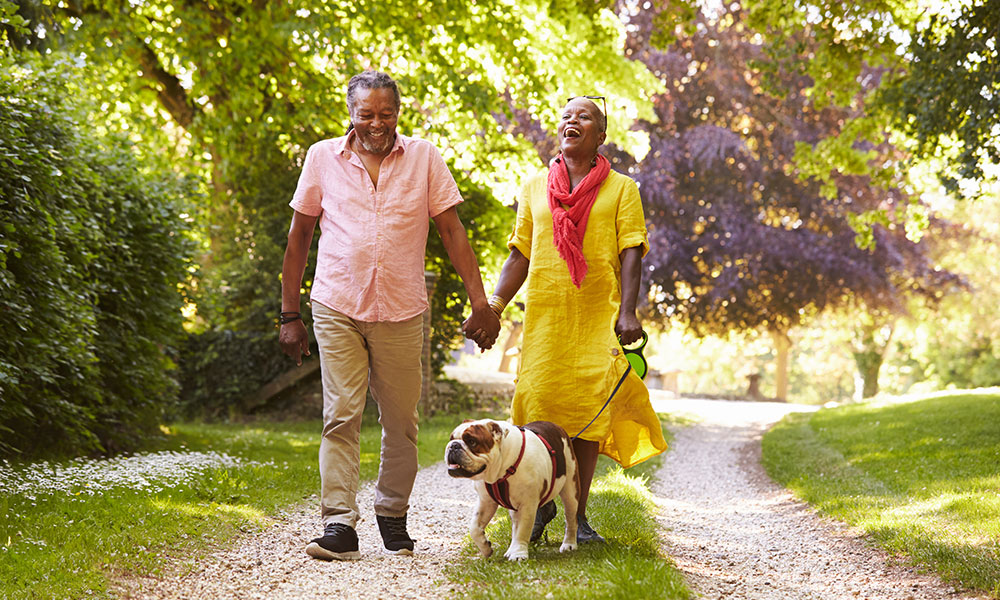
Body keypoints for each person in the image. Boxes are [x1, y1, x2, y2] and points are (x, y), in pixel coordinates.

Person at [279, 71, 500, 561]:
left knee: (401, 421)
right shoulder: (322, 158)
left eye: (386, 114)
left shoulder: (424, 158)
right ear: (350, 114)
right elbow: (298, 237)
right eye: (366, 114)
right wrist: (288, 313)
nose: (377, 123)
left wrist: (480, 302)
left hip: (401, 309)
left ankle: (392, 513)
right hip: (337, 303)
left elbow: (452, 231)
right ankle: (339, 524)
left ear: (398, 113)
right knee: (341, 416)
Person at [475, 96, 668, 543]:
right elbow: (520, 253)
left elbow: (631, 251)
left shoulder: (622, 189)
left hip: (597, 316)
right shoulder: (534, 187)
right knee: (538, 408)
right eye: (566, 116)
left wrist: (628, 311)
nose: (571, 121)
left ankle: (575, 518)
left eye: (584, 116)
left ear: (601, 135)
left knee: (587, 416)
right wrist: (495, 305)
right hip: (545, 318)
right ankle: (537, 507)